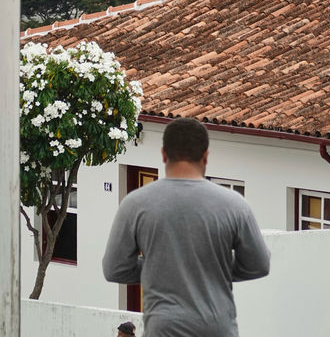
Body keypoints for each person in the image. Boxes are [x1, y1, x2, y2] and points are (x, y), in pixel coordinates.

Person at [103, 117, 270, 337]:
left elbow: (114, 268)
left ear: (163, 154)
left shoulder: (135, 204)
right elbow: (258, 265)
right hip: (218, 328)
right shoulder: (234, 204)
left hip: (164, 329)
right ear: (206, 156)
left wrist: (162, 267)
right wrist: (209, 265)